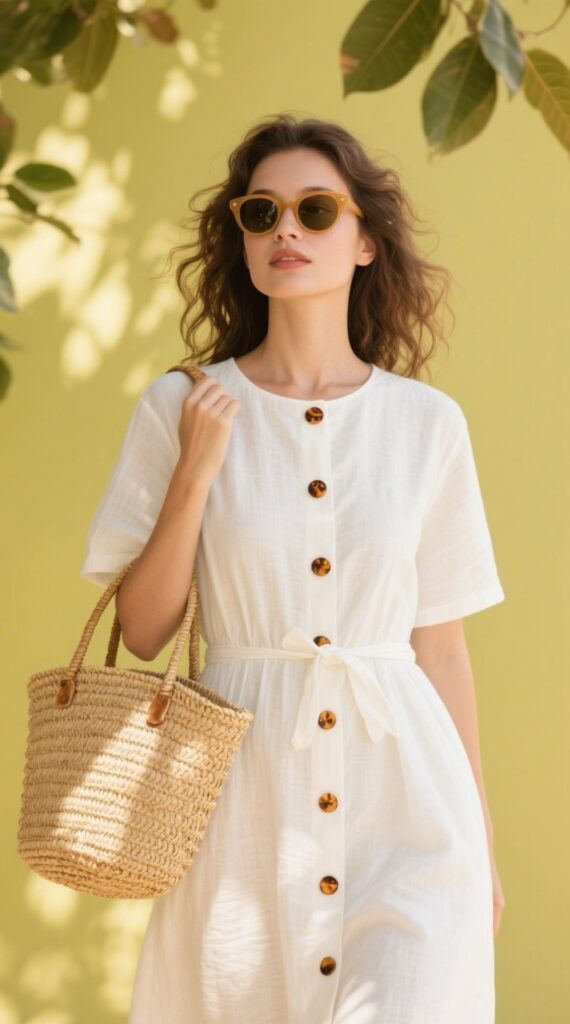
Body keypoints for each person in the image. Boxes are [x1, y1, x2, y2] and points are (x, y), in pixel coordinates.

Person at [81, 113, 506, 1024]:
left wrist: (482, 843)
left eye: (316, 210)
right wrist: (196, 472)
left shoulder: (427, 425)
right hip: (242, 809)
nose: (286, 229)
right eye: (261, 212)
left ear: (364, 240)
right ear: (240, 239)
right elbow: (144, 631)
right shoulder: (181, 405)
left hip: (410, 809)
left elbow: (441, 649)